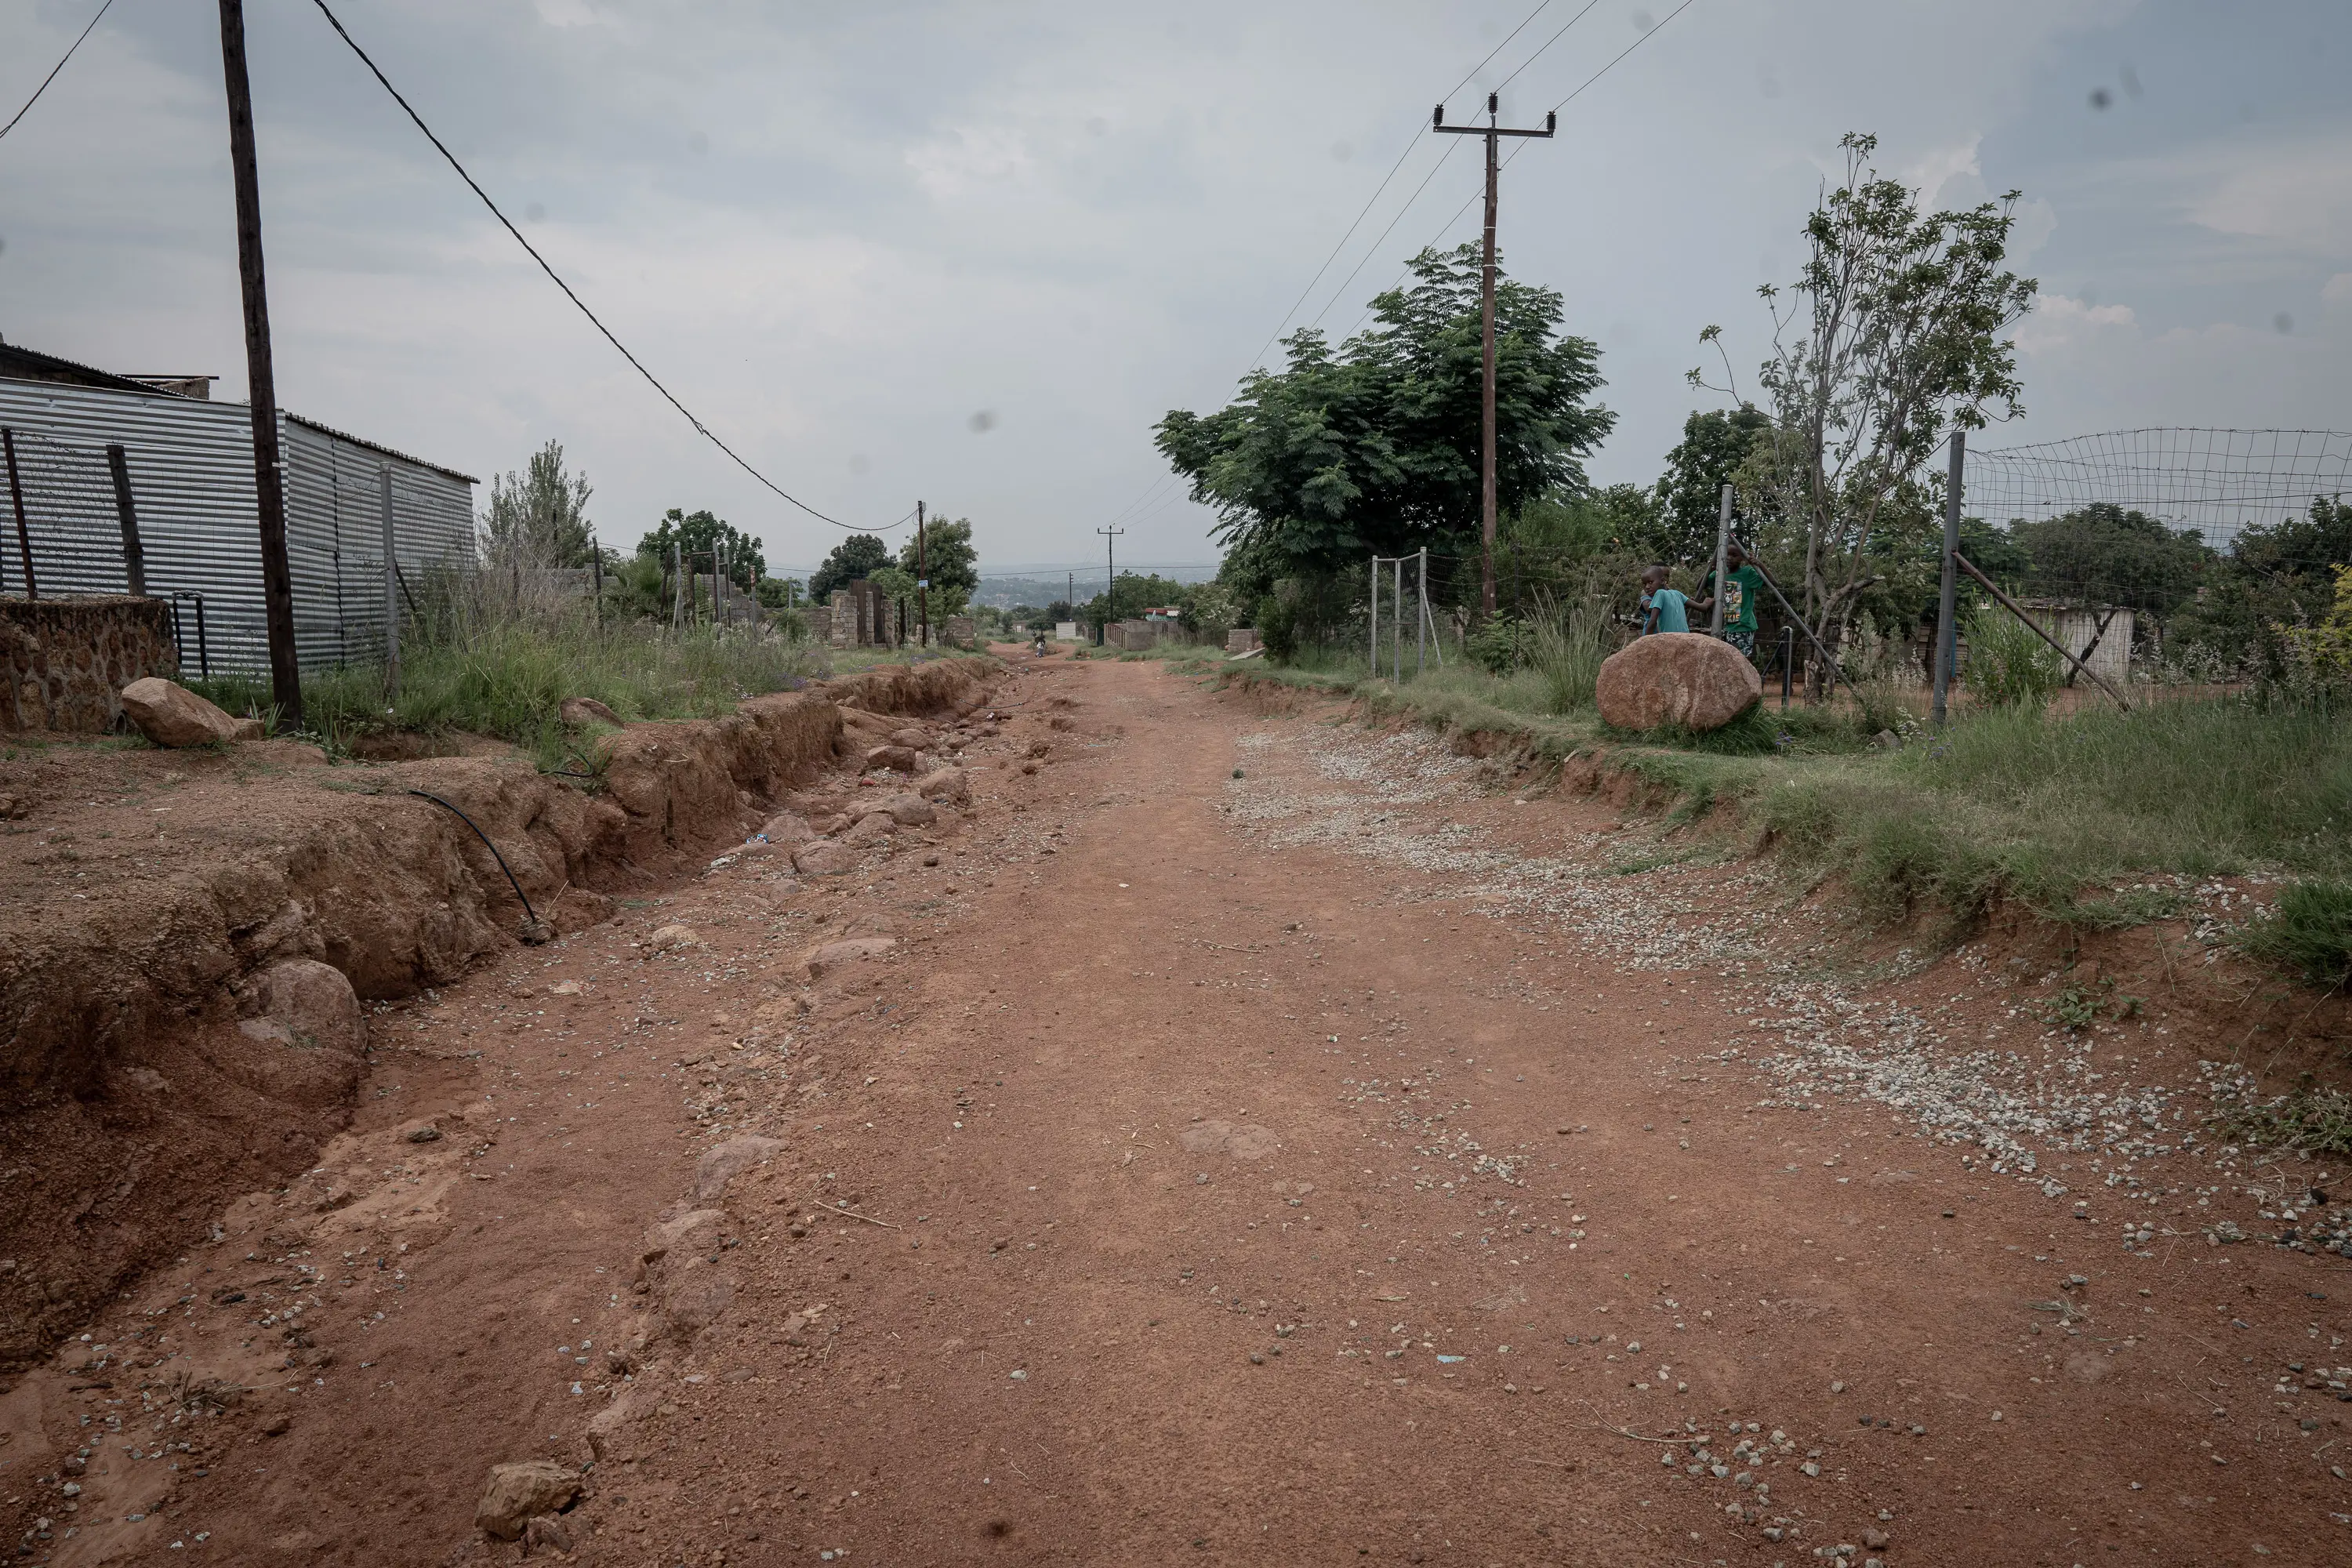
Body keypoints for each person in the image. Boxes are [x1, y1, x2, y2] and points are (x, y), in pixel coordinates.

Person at [1691, 541, 1766, 658]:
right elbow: (1699, 586)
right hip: (1728, 626)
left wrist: (1760, 565)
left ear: (1742, 558)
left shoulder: (1747, 573)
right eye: (1727, 555)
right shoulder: (1720, 573)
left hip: (1743, 626)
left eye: (1734, 555)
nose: (1729, 558)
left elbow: (1773, 583)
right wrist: (1710, 567)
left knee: (1739, 660)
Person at [1638, 565, 1690, 636]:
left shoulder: (1672, 593)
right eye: (1663, 575)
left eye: (1667, 576)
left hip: (1664, 633)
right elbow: (1648, 609)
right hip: (1651, 632)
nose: (1666, 579)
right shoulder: (1648, 592)